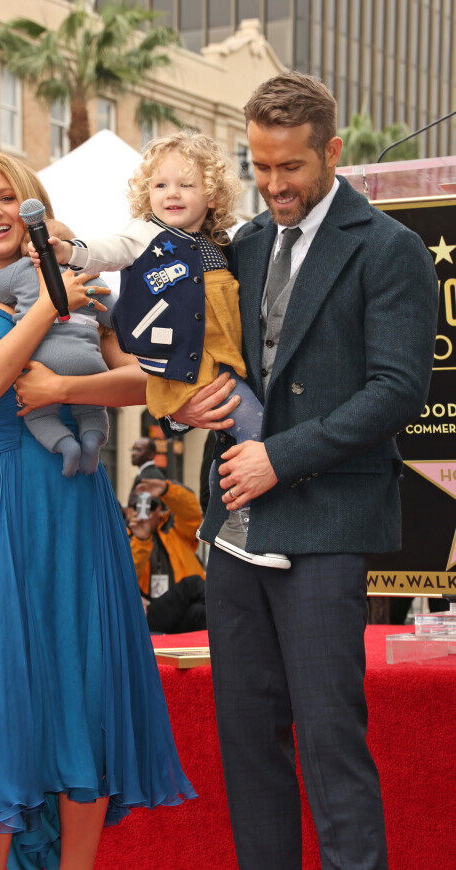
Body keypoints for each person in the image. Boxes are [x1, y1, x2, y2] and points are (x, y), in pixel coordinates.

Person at [166, 72, 439, 869]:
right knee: (249, 748)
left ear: (332, 151)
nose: (275, 185)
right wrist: (187, 405)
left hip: (325, 523)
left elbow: (397, 391)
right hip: (234, 530)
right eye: (259, 166)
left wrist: (278, 458)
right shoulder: (243, 244)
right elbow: (208, 359)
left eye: (290, 167)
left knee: (329, 742)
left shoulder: (389, 248)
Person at [0, 151, 195, 870]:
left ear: (31, 203)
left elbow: (146, 384)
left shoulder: (88, 287)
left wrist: (66, 392)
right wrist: (48, 300)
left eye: (6, 196)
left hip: (76, 504)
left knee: (86, 687)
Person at [31, 130, 288, 570]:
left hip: (224, 363)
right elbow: (106, 250)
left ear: (211, 193)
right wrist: (70, 251)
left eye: (186, 185)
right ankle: (249, 525)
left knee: (233, 437)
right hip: (188, 366)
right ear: (145, 192)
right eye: (161, 185)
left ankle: (223, 516)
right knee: (255, 427)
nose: (172, 194)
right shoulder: (144, 233)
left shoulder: (223, 242)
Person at [0, 219, 115, 477]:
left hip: (44, 361)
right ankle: (92, 441)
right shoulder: (89, 275)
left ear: (31, 248)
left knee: (38, 413)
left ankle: (66, 446)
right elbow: (116, 316)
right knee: (93, 407)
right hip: (88, 359)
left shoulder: (23, 268)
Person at [126, 476, 206, 633]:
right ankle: (229, 606)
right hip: (148, 613)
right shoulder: (123, 538)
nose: (144, 512)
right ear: (128, 510)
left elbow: (192, 515)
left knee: (201, 612)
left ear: (159, 510)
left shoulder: (175, 530)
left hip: (180, 612)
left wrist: (167, 491)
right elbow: (126, 578)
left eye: (151, 505)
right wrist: (141, 539)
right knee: (192, 583)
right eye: (137, 506)